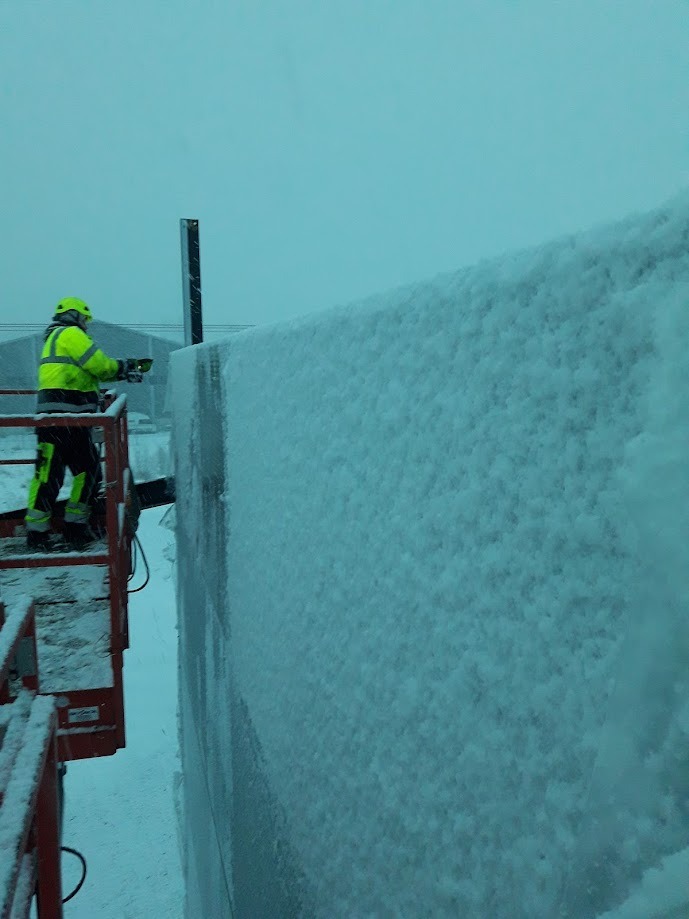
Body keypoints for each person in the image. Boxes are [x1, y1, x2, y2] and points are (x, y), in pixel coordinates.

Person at [24, 297, 150, 550]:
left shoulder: (55, 337)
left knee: (62, 474)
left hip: (64, 419)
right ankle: (60, 531)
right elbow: (99, 365)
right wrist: (126, 367)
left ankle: (61, 529)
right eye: (85, 319)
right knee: (80, 473)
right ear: (75, 316)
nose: (86, 325)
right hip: (65, 418)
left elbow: (81, 374)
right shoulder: (70, 333)